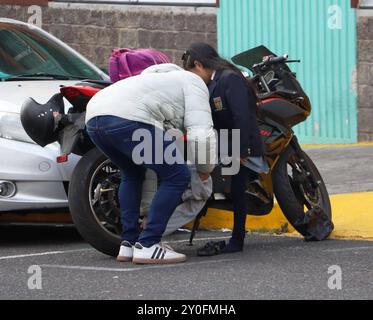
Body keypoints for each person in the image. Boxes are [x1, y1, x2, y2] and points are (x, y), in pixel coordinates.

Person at [85, 60, 216, 264]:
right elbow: (201, 132)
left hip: (94, 119)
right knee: (177, 175)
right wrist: (205, 169)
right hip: (129, 119)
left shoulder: (148, 80)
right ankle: (149, 244)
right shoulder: (193, 81)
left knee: (132, 173)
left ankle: (128, 243)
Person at [182, 42, 267, 255]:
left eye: (192, 72)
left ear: (199, 65)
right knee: (229, 190)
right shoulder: (212, 83)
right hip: (225, 144)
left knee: (238, 191)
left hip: (239, 144)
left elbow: (242, 116)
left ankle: (237, 240)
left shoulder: (229, 78)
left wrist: (241, 151)